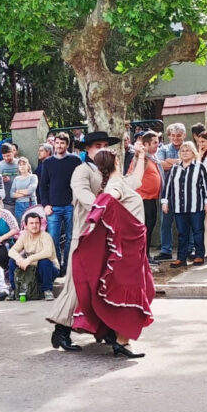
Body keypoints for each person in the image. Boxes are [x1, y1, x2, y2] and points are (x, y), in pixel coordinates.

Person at [70, 147, 152, 358]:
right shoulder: (115, 186)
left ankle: (119, 339)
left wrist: (140, 156)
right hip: (127, 245)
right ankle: (122, 342)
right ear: (115, 161)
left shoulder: (121, 181)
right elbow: (110, 197)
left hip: (133, 242)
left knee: (136, 287)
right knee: (131, 288)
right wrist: (101, 205)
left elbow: (137, 179)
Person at [46, 131, 117, 351]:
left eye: (105, 145)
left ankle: (106, 330)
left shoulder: (110, 172)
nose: (102, 148)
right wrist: (101, 207)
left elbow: (126, 188)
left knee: (102, 283)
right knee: (78, 285)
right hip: (85, 234)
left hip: (104, 234)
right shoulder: (82, 170)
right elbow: (82, 193)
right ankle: (61, 332)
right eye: (98, 145)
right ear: (87, 149)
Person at [39, 132, 84, 271]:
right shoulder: (48, 162)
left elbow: (80, 182)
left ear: (67, 144)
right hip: (53, 208)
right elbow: (42, 186)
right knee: (53, 238)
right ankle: (57, 266)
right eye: (57, 143)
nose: (59, 145)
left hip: (70, 206)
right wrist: (45, 205)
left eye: (62, 143)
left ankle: (68, 265)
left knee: (71, 237)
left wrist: (76, 200)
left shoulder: (75, 160)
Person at [162, 142, 207, 267]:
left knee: (198, 231)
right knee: (182, 233)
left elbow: (206, 186)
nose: (184, 152)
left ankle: (199, 255)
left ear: (193, 153)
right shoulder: (175, 168)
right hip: (179, 207)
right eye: (182, 151)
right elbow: (168, 186)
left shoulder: (199, 167)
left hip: (196, 206)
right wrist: (165, 202)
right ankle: (181, 258)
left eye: (187, 150)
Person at [127, 131, 163, 259]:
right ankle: (143, 256)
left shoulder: (153, 158)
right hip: (143, 200)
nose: (157, 145)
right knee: (145, 229)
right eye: (155, 143)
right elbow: (132, 174)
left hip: (151, 199)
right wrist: (138, 154)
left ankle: (146, 254)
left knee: (149, 228)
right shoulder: (141, 159)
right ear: (146, 144)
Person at [7, 212, 59, 301]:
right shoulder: (24, 236)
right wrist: (19, 259)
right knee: (12, 261)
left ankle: (47, 290)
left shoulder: (46, 236)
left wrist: (29, 259)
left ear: (40, 224)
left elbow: (48, 252)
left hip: (48, 270)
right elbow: (12, 251)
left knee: (44, 261)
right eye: (31, 223)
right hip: (31, 270)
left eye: (37, 223)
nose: (34, 225)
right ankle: (14, 289)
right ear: (25, 225)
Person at [154, 123, 186, 261]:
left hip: (185, 191)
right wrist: (179, 162)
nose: (176, 138)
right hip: (167, 190)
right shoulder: (164, 148)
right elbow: (160, 164)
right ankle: (166, 250)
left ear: (184, 135)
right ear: (169, 136)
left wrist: (169, 161)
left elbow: (190, 163)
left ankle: (189, 248)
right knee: (165, 221)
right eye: (173, 135)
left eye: (178, 135)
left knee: (186, 221)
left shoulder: (188, 148)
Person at [0, 143, 20, 214]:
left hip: (20, 201)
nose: (6, 158)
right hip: (6, 202)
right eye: (4, 156)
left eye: (8, 155)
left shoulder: (20, 163)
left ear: (13, 152)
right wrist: (1, 181)